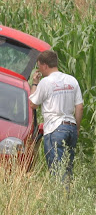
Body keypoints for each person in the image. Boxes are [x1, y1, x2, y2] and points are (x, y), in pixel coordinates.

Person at [29, 50, 83, 178]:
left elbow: (33, 104)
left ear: (45, 65)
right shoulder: (72, 80)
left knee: (57, 171)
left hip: (55, 129)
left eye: (39, 66)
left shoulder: (45, 82)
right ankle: (67, 196)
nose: (39, 70)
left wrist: (35, 83)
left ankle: (61, 196)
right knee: (67, 169)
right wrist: (77, 128)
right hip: (71, 128)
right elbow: (80, 107)